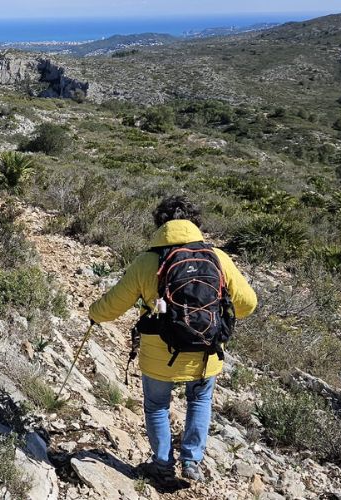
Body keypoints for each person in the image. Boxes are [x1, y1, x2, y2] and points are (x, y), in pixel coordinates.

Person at [87, 195, 257, 483]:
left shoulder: (147, 262)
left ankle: (163, 465)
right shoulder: (218, 258)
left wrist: (94, 314)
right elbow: (248, 304)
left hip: (159, 354)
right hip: (206, 352)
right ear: (195, 223)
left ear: (160, 224)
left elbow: (115, 304)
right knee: (199, 401)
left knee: (157, 406)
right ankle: (192, 462)